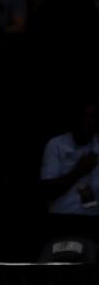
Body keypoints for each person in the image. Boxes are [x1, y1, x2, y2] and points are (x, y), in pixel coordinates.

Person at [37, 97, 99, 246]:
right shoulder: (56, 144)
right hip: (62, 221)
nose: (89, 122)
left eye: (94, 117)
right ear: (76, 119)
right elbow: (47, 191)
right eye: (85, 116)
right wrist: (79, 170)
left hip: (93, 220)